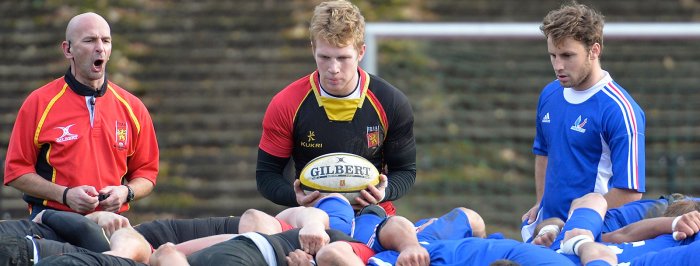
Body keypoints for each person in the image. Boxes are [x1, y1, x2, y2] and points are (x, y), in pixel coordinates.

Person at [255, 0, 416, 215]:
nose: (333, 69)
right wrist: (296, 197)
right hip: (313, 218)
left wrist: (384, 192)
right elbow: (267, 174)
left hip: (373, 216)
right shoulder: (286, 104)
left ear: (361, 52)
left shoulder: (391, 103)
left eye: (343, 58)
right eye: (324, 57)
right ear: (313, 49)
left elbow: (405, 171)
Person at [3, 12, 159, 219]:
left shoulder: (133, 107)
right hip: (53, 221)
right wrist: (65, 195)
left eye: (106, 41)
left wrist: (125, 192)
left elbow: (146, 174)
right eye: (89, 40)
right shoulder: (40, 102)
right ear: (68, 50)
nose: (99, 48)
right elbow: (16, 172)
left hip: (110, 223)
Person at [522, 1, 646, 241]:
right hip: (545, 232)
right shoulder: (549, 94)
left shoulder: (620, 109)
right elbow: (543, 152)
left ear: (594, 50)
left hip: (590, 235)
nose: (558, 65)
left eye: (568, 55)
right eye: (553, 56)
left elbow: (630, 193)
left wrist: (579, 219)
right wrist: (541, 202)